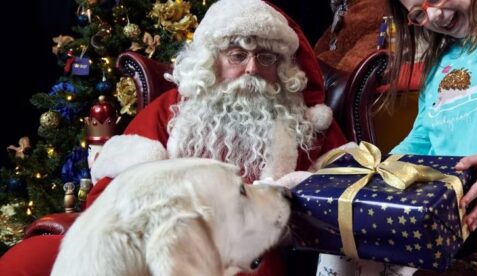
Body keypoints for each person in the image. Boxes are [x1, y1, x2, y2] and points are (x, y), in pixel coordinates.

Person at [0, 0, 347, 275]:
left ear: (283, 69)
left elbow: (345, 198)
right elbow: (109, 193)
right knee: (26, 262)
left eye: (266, 58)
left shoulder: (307, 126)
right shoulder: (172, 111)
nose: (252, 69)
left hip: (243, 249)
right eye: (237, 56)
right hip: (151, 242)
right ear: (213, 62)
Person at [317, 0, 477, 274]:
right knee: (346, 232)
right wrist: (379, 171)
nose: (435, 16)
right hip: (433, 193)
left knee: (398, 244)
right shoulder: (441, 59)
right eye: (419, 13)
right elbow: (421, 139)